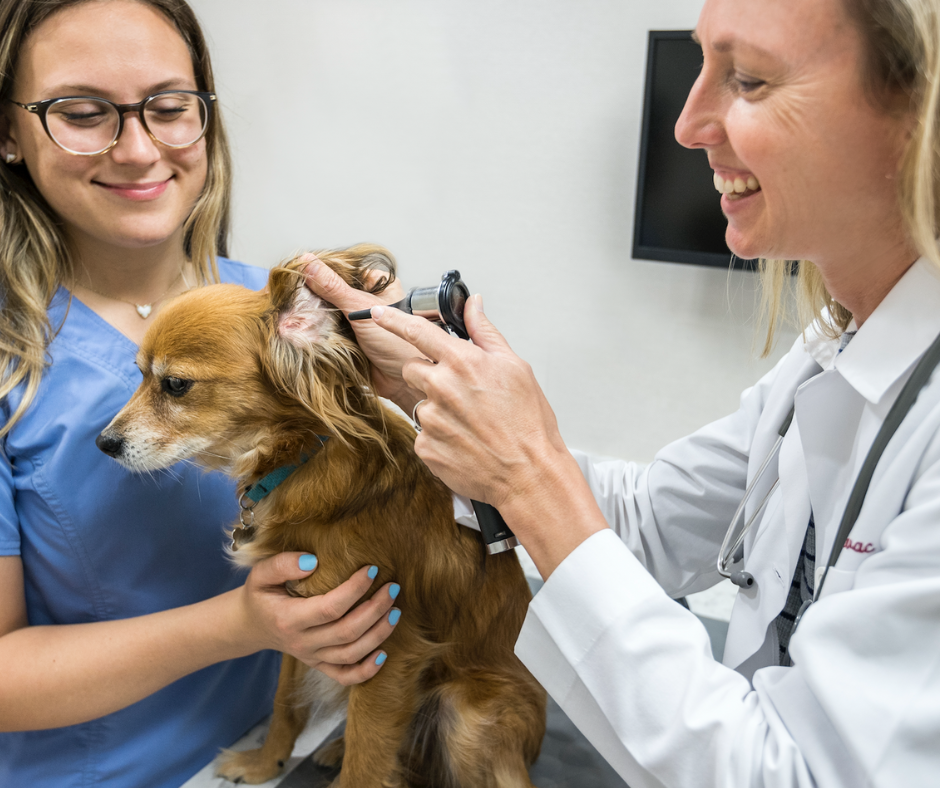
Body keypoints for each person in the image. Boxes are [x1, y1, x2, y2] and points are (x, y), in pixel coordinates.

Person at [306, 0, 940, 784]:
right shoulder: (835, 348)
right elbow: (650, 524)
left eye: (746, 78)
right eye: (700, 64)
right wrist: (432, 392)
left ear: (919, 108)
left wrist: (528, 474)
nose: (688, 123)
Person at [0, 2, 401, 786]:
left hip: (303, 740)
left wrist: (413, 392)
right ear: (8, 133)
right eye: (83, 113)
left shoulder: (290, 321)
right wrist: (242, 624)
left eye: (170, 107)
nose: (140, 148)